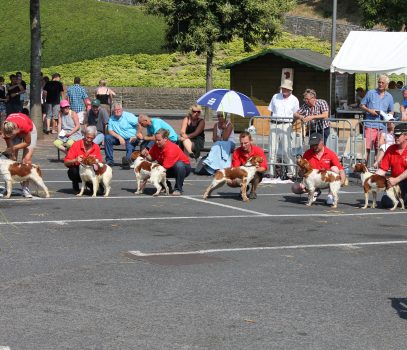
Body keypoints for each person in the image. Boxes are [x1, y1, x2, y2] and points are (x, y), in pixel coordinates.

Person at [291, 133, 346, 205]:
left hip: (326, 181)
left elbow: (341, 170)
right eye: (313, 144)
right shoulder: (307, 153)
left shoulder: (330, 153)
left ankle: (330, 195)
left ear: (322, 142)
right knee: (295, 188)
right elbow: (300, 172)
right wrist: (301, 173)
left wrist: (342, 181)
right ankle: (314, 192)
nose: (314, 146)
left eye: (316, 144)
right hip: (313, 180)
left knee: (335, 169)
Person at [141, 128, 191, 196]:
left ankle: (178, 189)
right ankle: (167, 186)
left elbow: (163, 169)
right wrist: (147, 154)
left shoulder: (171, 148)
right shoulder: (156, 145)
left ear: (165, 139)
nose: (157, 142)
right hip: (167, 166)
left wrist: (147, 177)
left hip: (184, 168)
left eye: (159, 140)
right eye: (156, 140)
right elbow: (151, 158)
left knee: (179, 165)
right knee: (154, 168)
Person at [267, 79, 299, 178]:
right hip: (274, 123)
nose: (284, 90)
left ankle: (292, 172)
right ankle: (271, 172)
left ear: (291, 90)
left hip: (286, 125)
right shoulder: (275, 96)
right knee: (272, 149)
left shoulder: (294, 99)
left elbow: (295, 114)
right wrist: (271, 122)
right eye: (283, 88)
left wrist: (290, 124)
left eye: (287, 89)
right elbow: (271, 111)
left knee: (286, 149)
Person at [2, 111, 38, 198]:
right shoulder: (5, 127)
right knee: (11, 160)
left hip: (29, 131)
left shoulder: (24, 127)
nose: (10, 137)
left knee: (26, 160)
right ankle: (8, 187)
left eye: (12, 135)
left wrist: (14, 148)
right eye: (9, 136)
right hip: (14, 129)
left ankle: (25, 187)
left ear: (16, 130)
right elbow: (9, 142)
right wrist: (12, 154)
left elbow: (27, 142)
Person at [360, 74, 394, 165]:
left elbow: (391, 111)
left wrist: (389, 117)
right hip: (370, 125)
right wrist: (369, 110)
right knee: (366, 148)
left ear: (387, 84)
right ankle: (364, 169)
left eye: (383, 83)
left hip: (382, 127)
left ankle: (377, 170)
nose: (380, 84)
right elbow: (361, 105)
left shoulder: (389, 96)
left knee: (379, 148)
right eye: (379, 82)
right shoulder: (371, 93)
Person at [63, 126, 103, 194]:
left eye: (92, 138)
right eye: (88, 137)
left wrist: (96, 162)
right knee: (73, 171)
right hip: (78, 171)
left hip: (91, 173)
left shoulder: (96, 147)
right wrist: (75, 160)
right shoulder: (76, 145)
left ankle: (89, 184)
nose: (89, 140)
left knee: (100, 191)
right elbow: (66, 162)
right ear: (84, 135)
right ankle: (76, 187)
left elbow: (99, 164)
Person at [376, 123, 407, 208]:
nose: (395, 138)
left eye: (398, 135)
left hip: (402, 180)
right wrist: (372, 179)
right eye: (394, 135)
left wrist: (396, 179)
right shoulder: (391, 149)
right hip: (396, 182)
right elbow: (382, 169)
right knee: (386, 202)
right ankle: (402, 199)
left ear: (406, 136)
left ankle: (402, 199)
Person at [229, 131, 268, 200]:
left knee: (257, 173)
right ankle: (244, 187)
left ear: (251, 141)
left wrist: (254, 169)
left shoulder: (258, 150)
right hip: (242, 174)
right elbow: (235, 169)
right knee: (230, 181)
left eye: (246, 143)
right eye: (241, 143)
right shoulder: (236, 152)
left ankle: (253, 191)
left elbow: (264, 167)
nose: (243, 145)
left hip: (254, 174)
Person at [105, 102, 139, 166]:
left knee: (129, 150)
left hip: (131, 137)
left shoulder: (128, 116)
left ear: (122, 110)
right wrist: (119, 137)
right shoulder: (111, 118)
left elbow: (139, 124)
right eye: (115, 110)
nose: (117, 111)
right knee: (107, 137)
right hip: (119, 138)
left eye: (119, 109)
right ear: (113, 111)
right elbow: (110, 131)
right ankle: (109, 161)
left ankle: (128, 160)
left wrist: (136, 135)